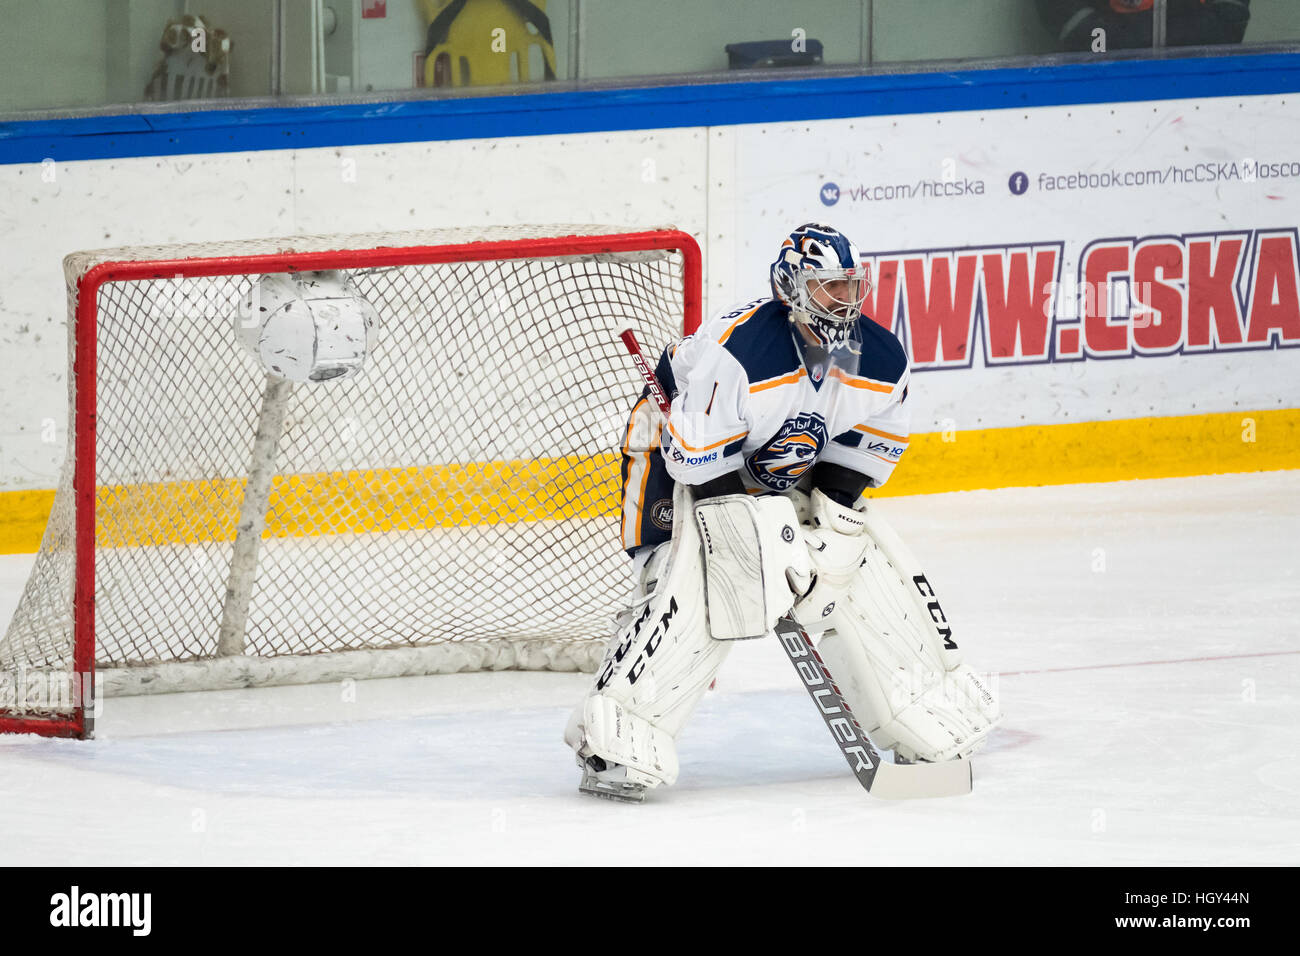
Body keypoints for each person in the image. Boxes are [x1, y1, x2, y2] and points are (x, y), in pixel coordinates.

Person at [564, 223, 1000, 801]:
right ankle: (614, 737)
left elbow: (853, 462)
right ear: (790, 288)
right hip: (674, 452)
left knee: (850, 559)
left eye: (849, 288)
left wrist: (822, 534)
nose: (843, 302)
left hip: (770, 460)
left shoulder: (881, 358)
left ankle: (926, 709)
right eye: (827, 289)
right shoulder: (740, 354)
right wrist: (754, 542)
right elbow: (701, 468)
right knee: (700, 579)